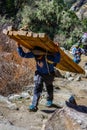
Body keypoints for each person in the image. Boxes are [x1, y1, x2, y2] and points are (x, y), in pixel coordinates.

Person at [17, 43, 60, 112]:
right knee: (37, 88)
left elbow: (57, 60)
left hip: (49, 74)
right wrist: (19, 47)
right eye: (36, 56)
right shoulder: (34, 54)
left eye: (39, 56)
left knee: (49, 87)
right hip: (39, 74)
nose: (37, 58)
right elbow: (24, 55)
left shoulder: (47, 57)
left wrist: (57, 49)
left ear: (42, 54)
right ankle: (34, 106)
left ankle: (49, 100)